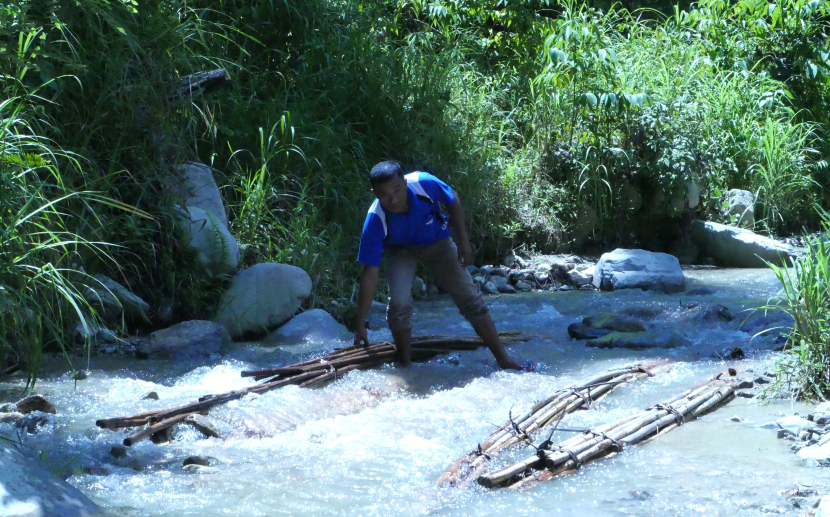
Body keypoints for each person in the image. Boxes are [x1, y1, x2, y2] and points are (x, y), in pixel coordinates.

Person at [352, 161, 524, 370]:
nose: (393, 199)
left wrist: (463, 241)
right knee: (398, 304)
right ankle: (405, 365)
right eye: (384, 195)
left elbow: (452, 199)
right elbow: (370, 272)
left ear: (405, 182)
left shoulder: (424, 183)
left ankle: (504, 359)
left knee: (469, 297)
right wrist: (360, 323)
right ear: (374, 193)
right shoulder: (375, 219)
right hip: (401, 251)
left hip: (438, 243)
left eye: (397, 190)